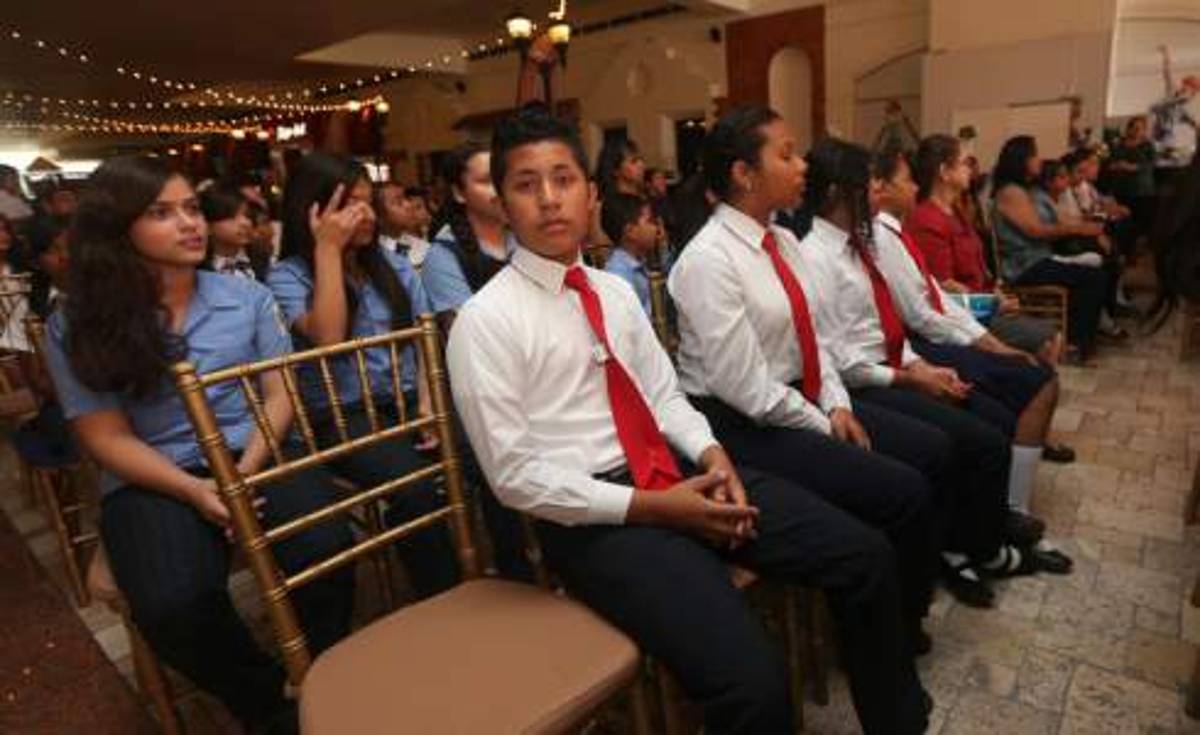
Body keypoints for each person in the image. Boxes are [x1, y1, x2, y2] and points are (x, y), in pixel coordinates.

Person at [448, 103, 930, 735]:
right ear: (502, 205)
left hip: (676, 470)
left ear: (591, 194)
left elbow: (665, 396)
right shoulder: (484, 322)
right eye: (525, 184)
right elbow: (514, 476)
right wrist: (654, 508)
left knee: (865, 556)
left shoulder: (614, 292)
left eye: (562, 179)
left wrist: (712, 455)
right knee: (753, 686)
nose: (548, 199)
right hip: (595, 516)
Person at [43, 156, 354, 732]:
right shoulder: (78, 322)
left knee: (327, 546)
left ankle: (323, 671)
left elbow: (280, 394)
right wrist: (195, 490)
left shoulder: (246, 295)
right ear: (118, 229)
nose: (190, 223)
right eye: (161, 213)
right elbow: (104, 436)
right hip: (154, 471)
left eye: (191, 208)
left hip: (253, 451)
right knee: (174, 604)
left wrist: (242, 474)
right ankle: (268, 702)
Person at [669, 105, 942, 654]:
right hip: (743, 424)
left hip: (801, 398)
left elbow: (815, 339)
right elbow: (745, 389)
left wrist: (837, 404)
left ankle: (896, 612)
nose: (802, 168)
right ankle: (888, 627)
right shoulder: (707, 261)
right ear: (744, 174)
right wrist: (822, 423)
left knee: (926, 454)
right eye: (787, 155)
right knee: (901, 491)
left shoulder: (783, 242)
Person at [796, 137, 1036, 608]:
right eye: (867, 184)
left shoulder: (858, 245)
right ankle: (965, 548)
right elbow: (837, 358)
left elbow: (886, 324)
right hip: (862, 384)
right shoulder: (815, 257)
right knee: (961, 443)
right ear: (837, 194)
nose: (876, 192)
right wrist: (909, 377)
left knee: (992, 420)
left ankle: (978, 534)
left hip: (894, 365)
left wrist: (921, 364)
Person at [268, 152, 460, 599]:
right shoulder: (287, 276)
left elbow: (424, 342)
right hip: (343, 415)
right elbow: (329, 338)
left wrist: (429, 404)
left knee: (485, 451)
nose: (367, 215)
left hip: (409, 399)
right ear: (314, 211)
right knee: (415, 488)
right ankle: (446, 598)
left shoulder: (393, 265)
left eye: (368, 202)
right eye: (350, 205)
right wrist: (328, 250)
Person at [872, 146, 1072, 571]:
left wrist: (985, 329)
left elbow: (937, 297)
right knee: (1024, 389)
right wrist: (986, 342)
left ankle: (1004, 513)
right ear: (880, 187)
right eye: (906, 179)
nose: (914, 187)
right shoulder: (885, 236)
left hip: (936, 329)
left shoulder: (899, 231)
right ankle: (1004, 514)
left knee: (1028, 380)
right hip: (914, 344)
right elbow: (920, 316)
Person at [907, 135, 1064, 364]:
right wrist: (990, 303)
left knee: (1049, 335)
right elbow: (943, 290)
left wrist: (994, 293)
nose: (971, 169)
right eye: (965, 162)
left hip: (980, 307)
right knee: (1048, 338)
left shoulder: (956, 212)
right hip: (962, 319)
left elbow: (977, 270)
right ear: (944, 172)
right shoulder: (926, 219)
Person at [992, 135, 1108, 361]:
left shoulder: (1021, 189)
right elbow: (1036, 230)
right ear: (1022, 160)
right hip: (1024, 266)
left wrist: (1080, 227)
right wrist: (1077, 229)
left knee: (1094, 270)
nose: (1039, 160)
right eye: (1034, 155)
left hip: (1036, 259)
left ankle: (1081, 338)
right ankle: (1074, 344)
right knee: (1093, 278)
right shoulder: (1011, 192)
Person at [422, 144, 510, 327]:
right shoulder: (443, 255)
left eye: (502, 178)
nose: (500, 189)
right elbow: (466, 330)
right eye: (486, 181)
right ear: (459, 193)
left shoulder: (527, 236)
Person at [600, 193, 662, 314]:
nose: (656, 228)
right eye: (650, 221)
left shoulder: (639, 262)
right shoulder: (618, 276)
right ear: (630, 232)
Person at [198, 184, 269, 282]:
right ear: (208, 226)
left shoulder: (260, 258)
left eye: (247, 215)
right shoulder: (198, 266)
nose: (246, 223)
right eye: (232, 217)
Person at [1107, 116, 1158, 238]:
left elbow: (1151, 164)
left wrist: (1133, 167)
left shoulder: (1147, 145)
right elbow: (1109, 162)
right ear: (1128, 128)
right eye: (1134, 128)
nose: (1136, 131)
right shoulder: (1119, 144)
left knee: (1139, 221)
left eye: (1140, 129)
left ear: (1144, 130)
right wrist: (1116, 165)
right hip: (1121, 189)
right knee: (1121, 220)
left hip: (1141, 190)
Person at [375, 181, 432, 270]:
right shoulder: (379, 254)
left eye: (406, 199)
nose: (408, 205)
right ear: (380, 216)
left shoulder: (421, 245)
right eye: (399, 202)